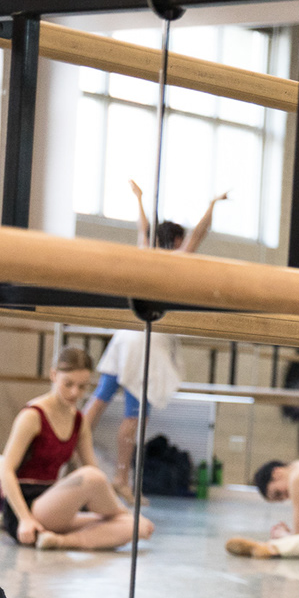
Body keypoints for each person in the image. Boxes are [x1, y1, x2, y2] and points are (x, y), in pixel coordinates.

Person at [84, 181, 226, 498]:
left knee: (98, 401)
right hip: (145, 344)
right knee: (134, 416)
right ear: (175, 240)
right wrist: (213, 205)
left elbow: (142, 227)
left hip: (124, 339)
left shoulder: (144, 254)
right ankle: (121, 478)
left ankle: (73, 462)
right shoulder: (177, 260)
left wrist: (138, 198)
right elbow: (198, 235)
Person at [0, 348, 153, 551]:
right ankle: (121, 512)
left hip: (56, 504)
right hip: (28, 508)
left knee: (138, 527)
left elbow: (95, 477)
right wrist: (25, 519)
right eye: (68, 384)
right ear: (53, 375)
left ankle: (59, 541)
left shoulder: (79, 421)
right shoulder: (32, 416)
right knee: (92, 477)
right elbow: (5, 470)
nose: (74, 393)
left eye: (82, 387)